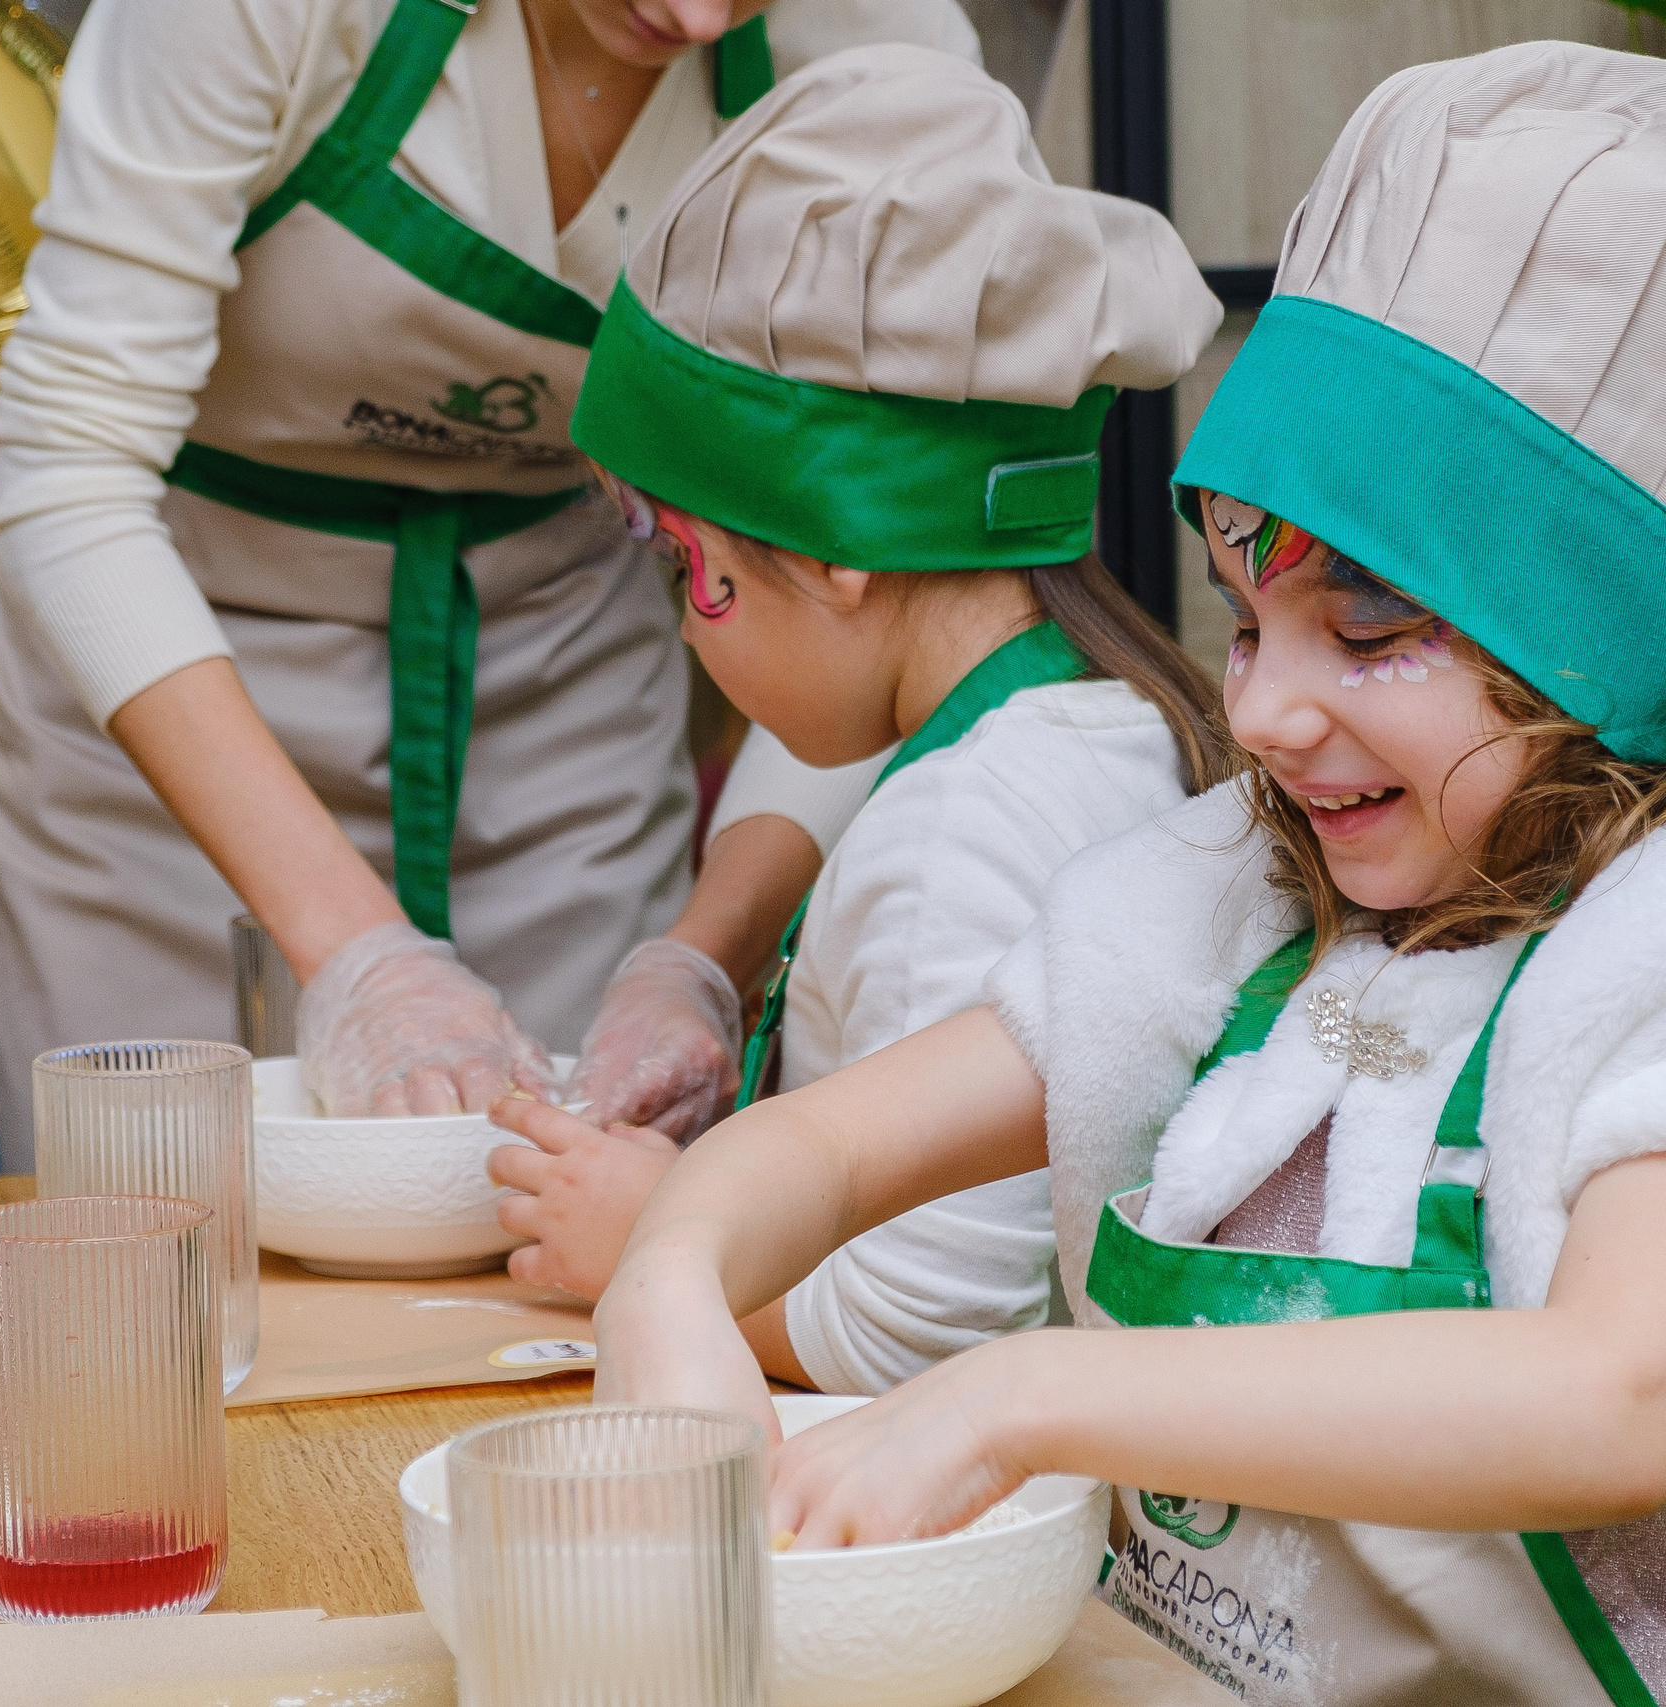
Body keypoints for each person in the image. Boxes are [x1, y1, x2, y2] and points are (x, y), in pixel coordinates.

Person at [585, 42, 1666, 1707]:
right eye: (1247, 619)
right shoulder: (1241, 885)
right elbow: (819, 1148)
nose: (1259, 706)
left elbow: (1612, 1402)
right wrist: (671, 1276)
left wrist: (1014, 1397)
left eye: (1368, 635)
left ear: (1593, 651)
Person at [0, 0, 979, 1164]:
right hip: (163, 698)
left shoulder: (878, 50)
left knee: (565, 1236)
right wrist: (359, 959)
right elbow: (69, 474)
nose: (696, 15)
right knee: (165, 1247)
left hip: (558, 678)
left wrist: (701, 957)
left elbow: (896, 579)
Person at [486, 46, 1228, 1397]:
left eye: (681, 567)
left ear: (832, 554)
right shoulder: (1105, 716)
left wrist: (650, 1238)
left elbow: (928, 1329)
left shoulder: (964, 832)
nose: (689, 627)